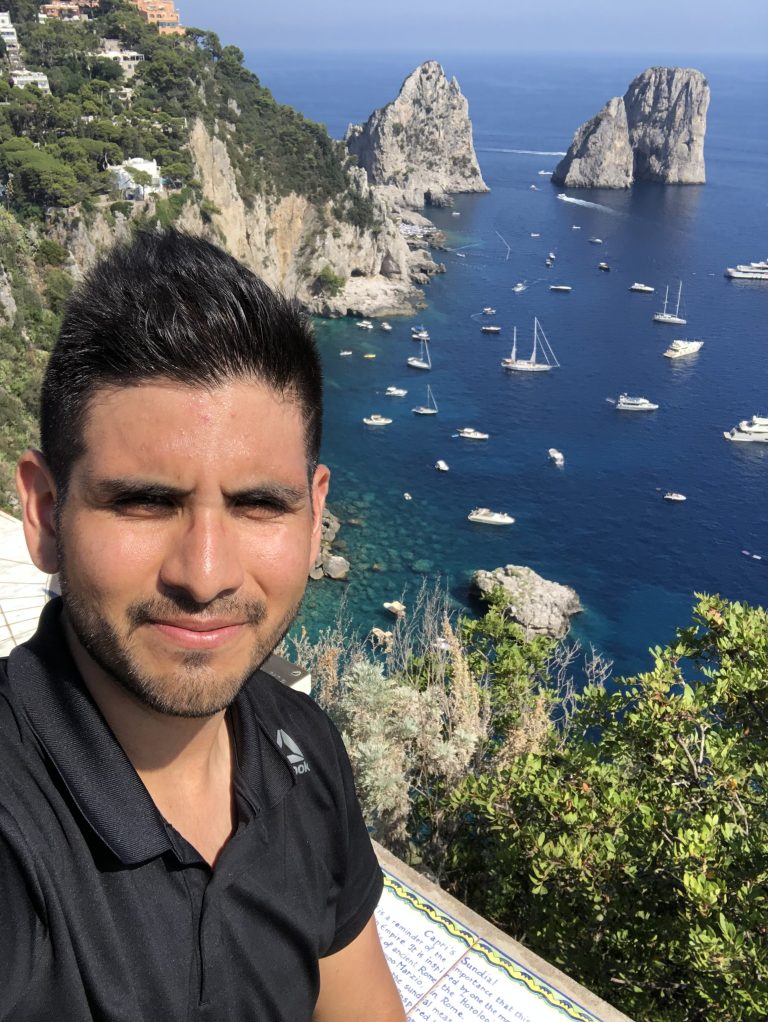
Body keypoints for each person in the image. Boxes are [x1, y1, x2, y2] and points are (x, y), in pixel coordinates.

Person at [1, 230, 406, 1022]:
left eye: (260, 504)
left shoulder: (306, 753)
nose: (206, 572)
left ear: (316, 515)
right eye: (145, 501)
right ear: (46, 513)